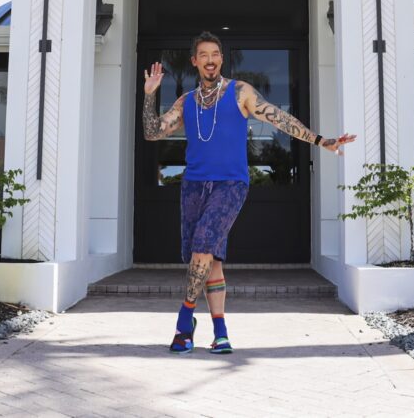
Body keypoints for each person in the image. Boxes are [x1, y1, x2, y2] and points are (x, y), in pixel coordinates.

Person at [142, 31, 356, 354]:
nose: (211, 60)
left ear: (221, 59)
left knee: (203, 246)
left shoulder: (240, 92)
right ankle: (220, 332)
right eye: (204, 55)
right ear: (195, 61)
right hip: (193, 187)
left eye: (215, 54)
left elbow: (278, 117)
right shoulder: (186, 102)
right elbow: (152, 132)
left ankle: (184, 321)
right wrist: (149, 95)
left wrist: (319, 140)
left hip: (231, 185)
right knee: (210, 261)